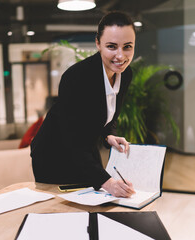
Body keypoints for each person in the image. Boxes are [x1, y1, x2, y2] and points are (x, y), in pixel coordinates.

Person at [30, 11, 136, 197]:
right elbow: (71, 139)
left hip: (85, 150)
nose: (120, 56)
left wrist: (109, 134)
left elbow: (108, 112)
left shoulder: (125, 74)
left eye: (127, 47)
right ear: (98, 44)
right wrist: (108, 183)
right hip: (54, 153)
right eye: (112, 47)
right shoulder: (76, 78)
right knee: (61, 210)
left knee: (93, 204)